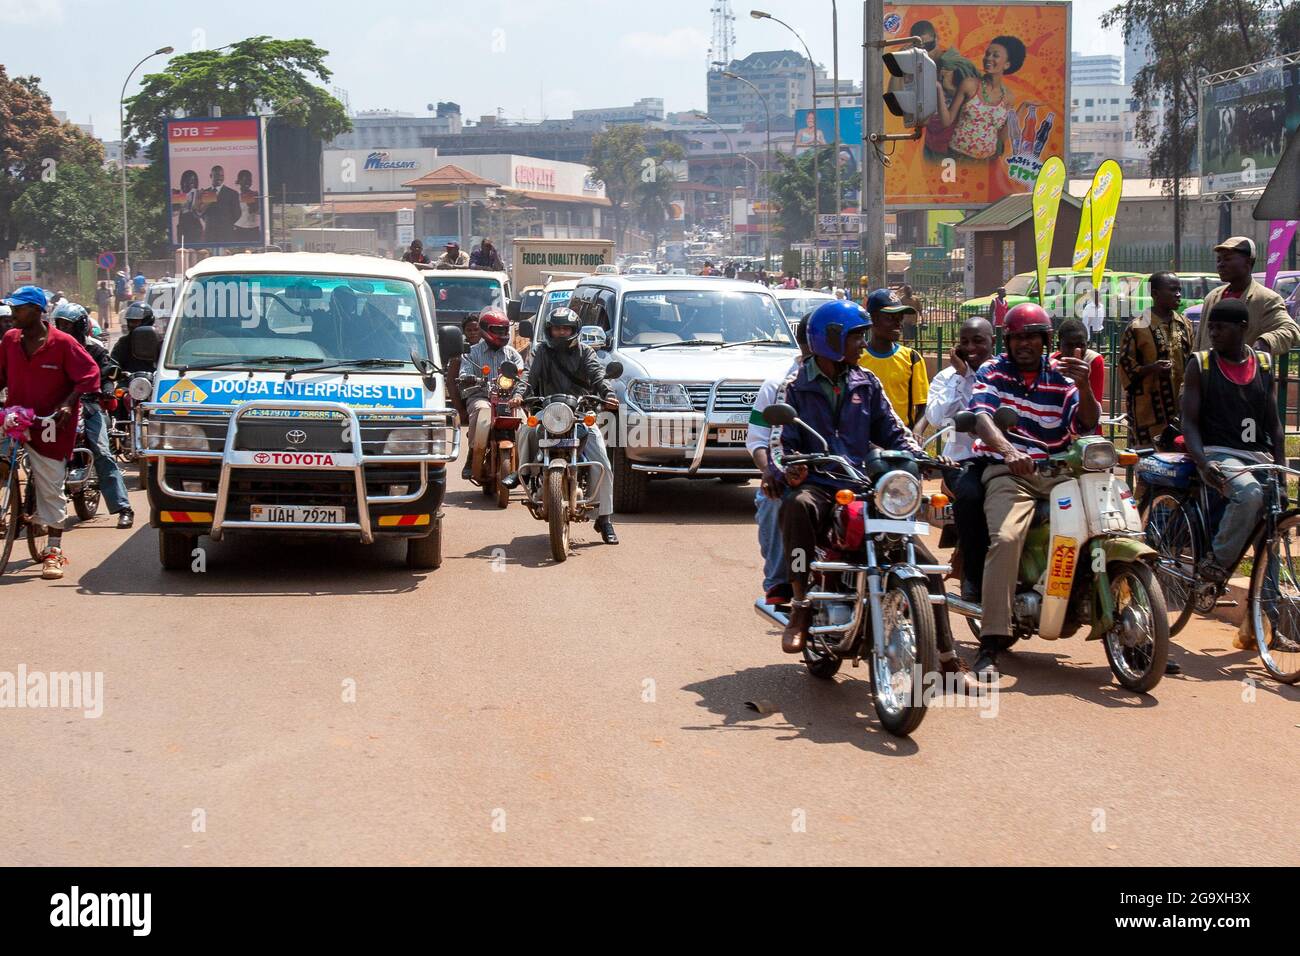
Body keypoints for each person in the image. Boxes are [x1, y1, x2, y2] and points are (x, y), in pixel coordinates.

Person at [771, 300, 967, 686]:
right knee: (797, 507)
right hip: (821, 482)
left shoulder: (866, 382)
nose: (861, 344)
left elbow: (895, 431)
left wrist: (923, 458)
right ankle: (800, 605)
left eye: (861, 336)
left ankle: (945, 654)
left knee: (924, 562)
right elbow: (778, 443)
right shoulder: (793, 387)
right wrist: (789, 467)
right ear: (830, 339)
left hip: (864, 483)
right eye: (854, 336)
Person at [968, 302, 1100, 676]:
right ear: (1007, 342)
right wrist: (1010, 452)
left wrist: (1086, 385)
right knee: (1007, 539)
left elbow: (1087, 423)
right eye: (1017, 337)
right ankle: (991, 640)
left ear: (1046, 340)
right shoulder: (993, 371)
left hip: (1059, 473)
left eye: (1032, 336)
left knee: (1106, 525)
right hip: (1011, 475)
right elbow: (982, 417)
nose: (1024, 343)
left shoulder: (1062, 377)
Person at [1182, 298, 1285, 587]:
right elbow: (1189, 423)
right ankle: (1216, 562)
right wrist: (1203, 462)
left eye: (1220, 328)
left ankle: (1266, 610)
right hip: (1219, 454)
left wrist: (1280, 469)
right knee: (1250, 493)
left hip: (1257, 455)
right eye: (1210, 327)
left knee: (1273, 524)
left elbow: (1274, 424)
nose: (1213, 333)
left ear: (1242, 328)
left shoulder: (1263, 364)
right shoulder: (1200, 365)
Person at [0, 287, 101, 579]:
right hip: (15, 417)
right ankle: (16, 507)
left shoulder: (63, 343)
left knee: (51, 487)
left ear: (36, 310)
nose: (13, 314)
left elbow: (89, 375)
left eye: (18, 309)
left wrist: (69, 404)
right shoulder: (9, 340)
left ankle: (54, 552)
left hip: (51, 423)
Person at [501, 307, 620, 544]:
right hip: (548, 411)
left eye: (566, 328)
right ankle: (522, 471)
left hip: (580, 412)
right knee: (526, 429)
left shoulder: (586, 352)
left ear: (574, 331)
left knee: (603, 463)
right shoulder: (541, 352)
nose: (561, 333)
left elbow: (598, 376)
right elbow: (528, 378)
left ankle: (604, 519)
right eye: (557, 328)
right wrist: (518, 394)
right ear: (549, 330)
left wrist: (608, 394)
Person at [924, 317, 995, 601]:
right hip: (962, 461)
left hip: (1000, 456)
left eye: (978, 340)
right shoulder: (946, 378)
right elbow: (938, 417)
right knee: (971, 494)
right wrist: (963, 377)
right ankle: (972, 577)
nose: (971, 347)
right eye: (964, 341)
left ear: (992, 341)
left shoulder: (1001, 372)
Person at [746, 314, 812, 606]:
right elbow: (758, 439)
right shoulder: (779, 384)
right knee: (776, 500)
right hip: (792, 472)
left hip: (844, 473)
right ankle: (783, 583)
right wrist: (769, 471)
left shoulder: (860, 379)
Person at [50, 303, 133, 529]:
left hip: (88, 404)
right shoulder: (51, 348)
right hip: (57, 408)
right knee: (40, 452)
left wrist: (106, 388)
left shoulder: (94, 349)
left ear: (80, 326)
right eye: (60, 325)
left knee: (102, 452)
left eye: (68, 325)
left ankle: (123, 507)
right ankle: (30, 512)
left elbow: (105, 373)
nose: (63, 329)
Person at [1118, 271, 1194, 447]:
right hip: (1149, 412)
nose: (1178, 294)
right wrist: (1151, 368)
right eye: (1172, 290)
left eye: (1179, 290)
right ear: (1155, 294)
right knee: (1149, 461)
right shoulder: (1137, 327)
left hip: (1180, 409)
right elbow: (1125, 369)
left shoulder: (1184, 324)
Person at [1193, 236, 1299, 357]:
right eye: (1219, 260)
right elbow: (1199, 341)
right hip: (1209, 373)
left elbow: (1291, 330)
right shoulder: (1212, 297)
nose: (1221, 265)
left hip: (1242, 373)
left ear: (1248, 262)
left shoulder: (1265, 299)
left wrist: (1265, 342)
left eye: (1227, 259)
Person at [459, 309, 525, 482]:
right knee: (481, 413)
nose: (501, 334)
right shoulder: (471, 353)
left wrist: (518, 394)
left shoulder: (513, 355)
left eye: (504, 330)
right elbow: (463, 372)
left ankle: (528, 464)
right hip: (481, 396)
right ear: (485, 329)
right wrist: (468, 377)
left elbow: (522, 375)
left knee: (526, 423)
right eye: (497, 330)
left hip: (509, 400)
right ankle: (472, 454)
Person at [939, 35, 1027, 161]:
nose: (988, 58)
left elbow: (1001, 138)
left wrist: (1023, 107)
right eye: (987, 54)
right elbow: (946, 121)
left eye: (995, 55)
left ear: (1007, 64)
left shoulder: (1008, 97)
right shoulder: (970, 84)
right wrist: (939, 88)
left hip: (986, 161)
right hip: (957, 157)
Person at [859, 288, 930, 428]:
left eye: (900, 318)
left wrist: (916, 432)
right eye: (891, 318)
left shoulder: (912, 358)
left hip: (901, 440)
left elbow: (924, 405)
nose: (898, 323)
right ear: (873, 319)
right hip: (865, 440)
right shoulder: (857, 358)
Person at [1053, 318, 1104, 434]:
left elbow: (1093, 409)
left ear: (1088, 344)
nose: (1076, 350)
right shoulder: (1051, 363)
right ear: (1058, 346)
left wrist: (1084, 385)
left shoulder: (1093, 360)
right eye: (1069, 345)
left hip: (1086, 431)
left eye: (1081, 345)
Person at [110, 303, 158, 374]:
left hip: (154, 380)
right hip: (128, 381)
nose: (131, 324)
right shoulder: (123, 342)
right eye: (130, 321)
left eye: (135, 322)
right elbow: (114, 361)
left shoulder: (159, 341)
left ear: (147, 320)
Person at [201, 165, 241, 244]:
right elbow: (201, 213)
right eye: (216, 175)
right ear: (210, 176)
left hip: (226, 234)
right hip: (209, 233)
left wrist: (226, 224)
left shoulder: (232, 193)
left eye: (222, 175)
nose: (219, 178)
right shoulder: (204, 193)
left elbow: (237, 214)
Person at [176, 169, 204, 245]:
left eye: (192, 182)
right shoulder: (176, 194)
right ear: (182, 182)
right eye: (186, 181)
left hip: (195, 229)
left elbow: (201, 213)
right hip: (182, 229)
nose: (188, 184)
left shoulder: (199, 194)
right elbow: (174, 212)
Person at [232, 169, 261, 242]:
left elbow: (256, 211)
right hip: (239, 228)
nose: (248, 182)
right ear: (240, 181)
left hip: (253, 228)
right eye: (245, 180)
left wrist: (252, 198)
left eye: (249, 180)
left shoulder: (255, 194)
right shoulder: (235, 195)